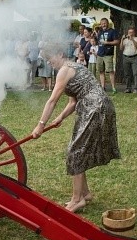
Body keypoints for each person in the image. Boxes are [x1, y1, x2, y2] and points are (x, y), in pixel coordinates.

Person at [32, 50, 120, 213]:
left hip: (95, 109)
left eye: (50, 57)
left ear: (60, 54)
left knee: (76, 151)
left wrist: (41, 124)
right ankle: (85, 194)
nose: (49, 62)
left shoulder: (65, 70)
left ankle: (77, 199)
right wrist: (60, 117)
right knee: (79, 149)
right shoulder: (73, 67)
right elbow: (73, 100)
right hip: (97, 107)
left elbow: (52, 101)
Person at [95, 18, 119, 93]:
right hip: (100, 54)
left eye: (104, 23)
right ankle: (103, 87)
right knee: (101, 71)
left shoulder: (112, 31)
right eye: (102, 24)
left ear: (107, 23)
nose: (103, 25)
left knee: (110, 71)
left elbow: (117, 41)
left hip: (108, 54)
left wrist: (107, 43)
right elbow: (97, 42)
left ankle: (113, 88)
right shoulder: (100, 32)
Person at [120, 27, 137, 93]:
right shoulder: (125, 40)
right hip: (126, 57)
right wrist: (122, 39)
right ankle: (128, 88)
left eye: (132, 32)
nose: (131, 34)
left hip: (135, 57)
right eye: (129, 32)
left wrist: (132, 39)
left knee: (135, 73)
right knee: (127, 74)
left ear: (134, 33)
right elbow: (121, 48)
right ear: (127, 33)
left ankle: (136, 88)